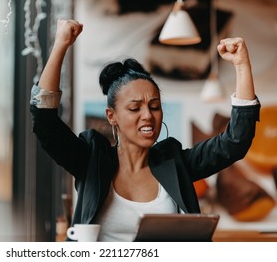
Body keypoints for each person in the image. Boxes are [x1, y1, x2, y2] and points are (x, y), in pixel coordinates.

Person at [30, 19, 260, 241]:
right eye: (134, 108)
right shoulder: (91, 161)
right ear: (112, 116)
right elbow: (45, 123)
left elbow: (235, 142)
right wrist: (60, 44)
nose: (148, 115)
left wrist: (241, 65)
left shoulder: (176, 164)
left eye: (154, 106)